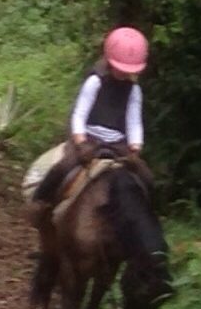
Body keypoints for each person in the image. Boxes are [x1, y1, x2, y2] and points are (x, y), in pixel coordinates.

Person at [30, 26, 151, 206]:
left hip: (118, 145)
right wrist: (81, 142)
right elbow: (79, 114)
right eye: (121, 68)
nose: (124, 73)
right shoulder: (95, 82)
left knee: (146, 177)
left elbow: (134, 121)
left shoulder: (134, 90)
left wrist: (135, 146)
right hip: (89, 140)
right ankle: (41, 202)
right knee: (64, 166)